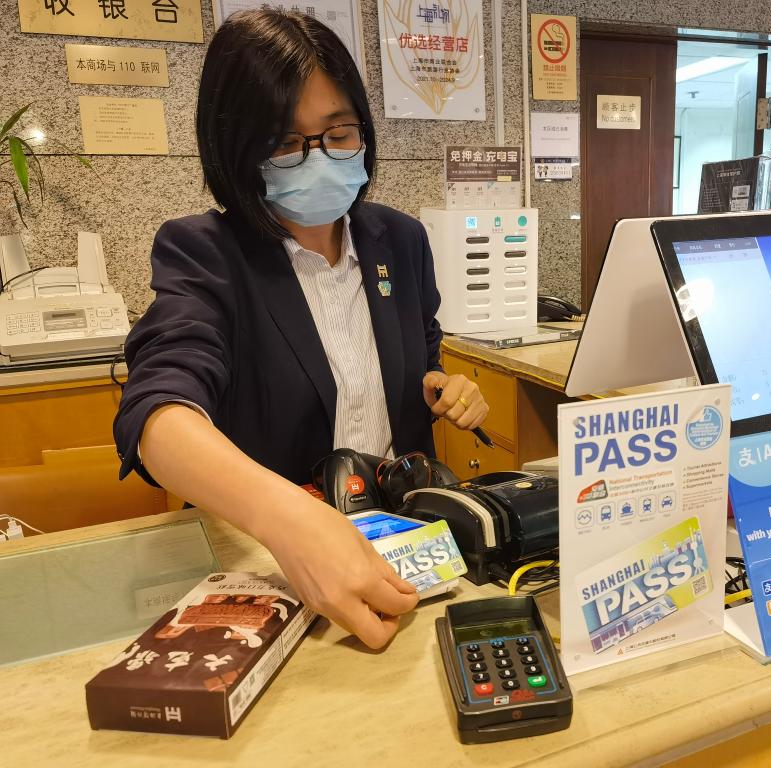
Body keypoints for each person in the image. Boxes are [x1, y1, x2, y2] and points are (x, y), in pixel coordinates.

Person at [113, 8, 489, 649]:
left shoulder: (399, 240)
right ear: (237, 148)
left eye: (339, 133)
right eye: (286, 143)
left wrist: (442, 384)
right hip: (274, 572)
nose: (319, 157)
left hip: (406, 553)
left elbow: (420, 355)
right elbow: (158, 415)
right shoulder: (205, 254)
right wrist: (288, 519)